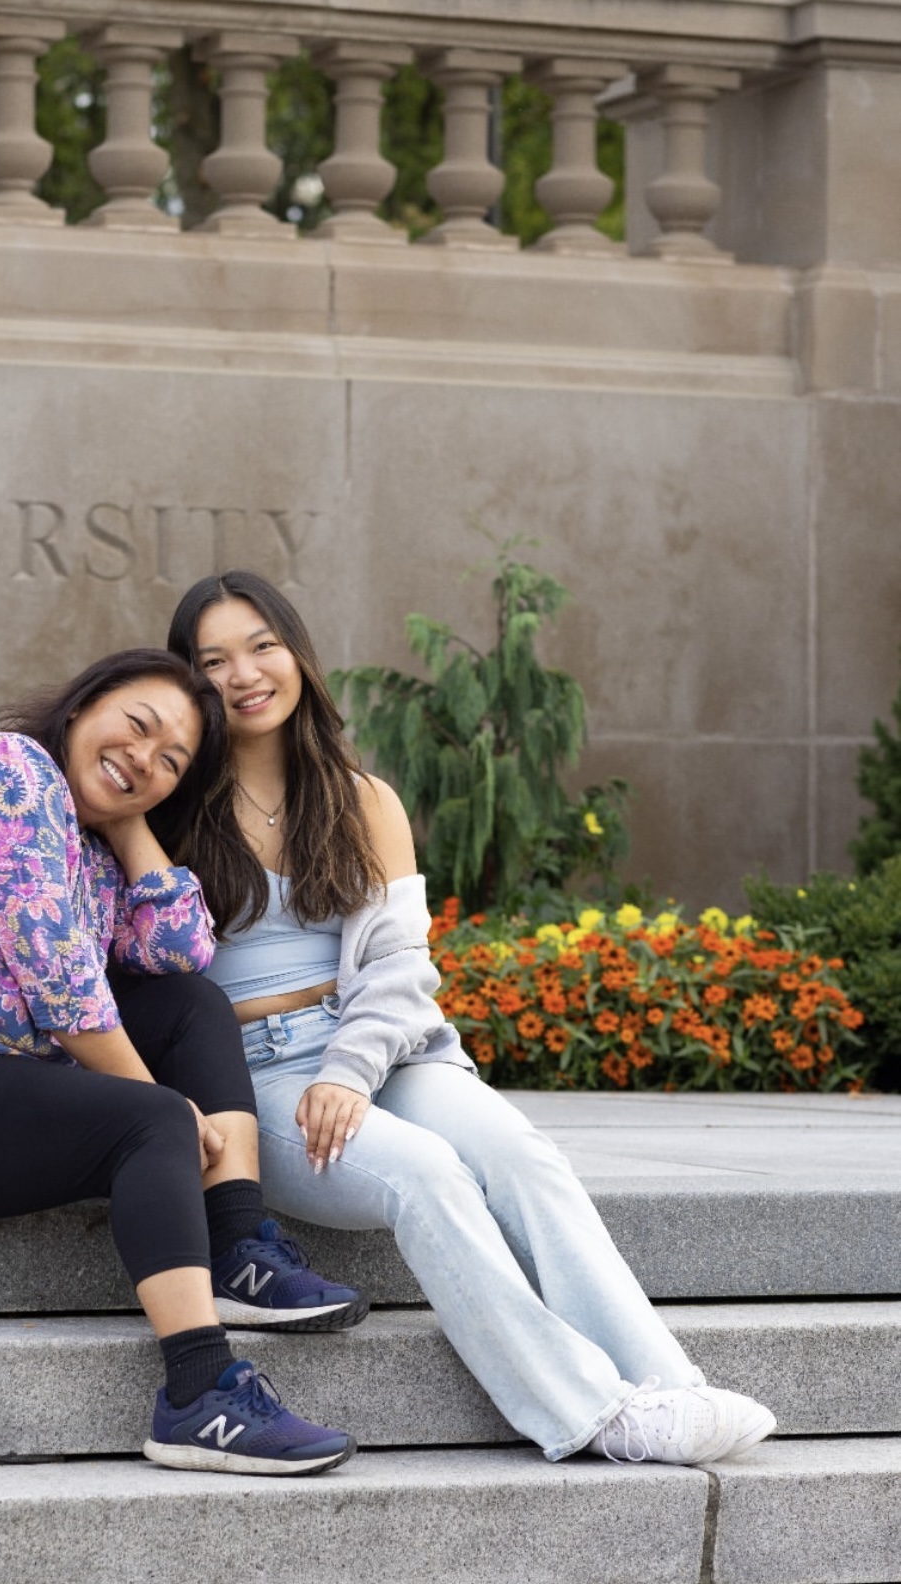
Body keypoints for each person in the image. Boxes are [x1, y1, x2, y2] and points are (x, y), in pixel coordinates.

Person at [167, 574, 778, 1467]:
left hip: (380, 1052)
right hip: (252, 1079)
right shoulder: (172, 808)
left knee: (519, 1153)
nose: (244, 674)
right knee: (425, 1174)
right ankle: (593, 1415)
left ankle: (667, 1383)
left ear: (296, 652)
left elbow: (401, 963)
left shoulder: (359, 798)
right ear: (188, 679)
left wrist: (349, 1068)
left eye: (262, 645)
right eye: (212, 660)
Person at [0, 647, 363, 1478]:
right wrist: (172, 1119)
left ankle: (236, 1240)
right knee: (150, 1116)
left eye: (172, 761)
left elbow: (180, 953)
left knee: (190, 1010)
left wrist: (129, 825)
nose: (145, 759)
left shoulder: (89, 847)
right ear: (83, 704)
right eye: (137, 727)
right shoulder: (7, 770)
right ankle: (199, 1392)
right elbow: (65, 991)